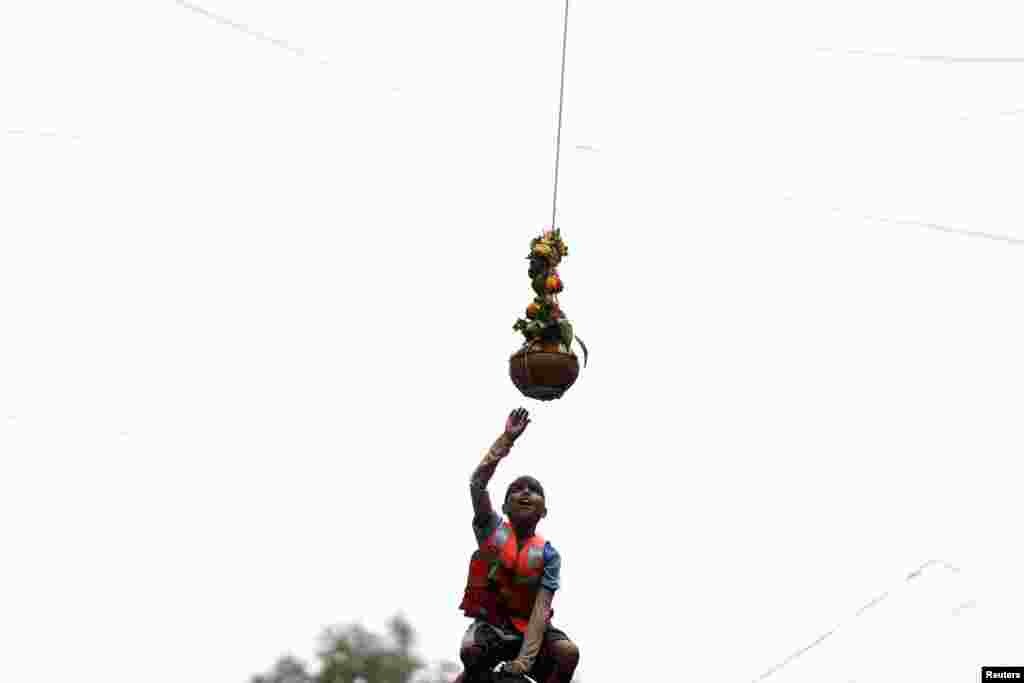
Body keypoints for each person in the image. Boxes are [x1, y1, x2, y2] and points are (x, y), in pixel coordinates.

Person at [455, 408, 580, 683]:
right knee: (471, 651)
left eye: (533, 490)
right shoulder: (492, 529)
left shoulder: (549, 554)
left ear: (544, 511)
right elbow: (477, 483)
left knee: (568, 653)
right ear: (504, 506)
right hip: (493, 626)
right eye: (517, 489)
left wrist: (524, 661)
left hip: (531, 629)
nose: (525, 492)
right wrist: (506, 440)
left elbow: (540, 609)